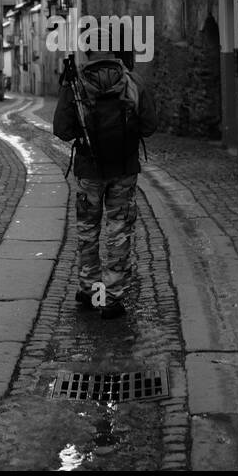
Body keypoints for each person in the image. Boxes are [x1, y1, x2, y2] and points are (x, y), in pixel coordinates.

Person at [53, 44, 158, 320]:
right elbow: (150, 125)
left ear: (88, 53)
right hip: (124, 169)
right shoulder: (132, 81)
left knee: (88, 230)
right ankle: (112, 297)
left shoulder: (76, 83)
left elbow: (61, 130)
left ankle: (89, 288)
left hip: (89, 171)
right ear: (114, 51)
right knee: (119, 230)